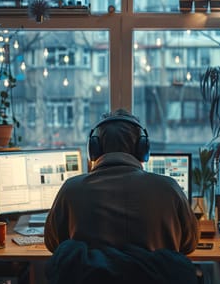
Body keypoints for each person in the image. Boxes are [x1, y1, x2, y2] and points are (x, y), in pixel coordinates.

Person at [44, 108, 200, 253]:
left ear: (94, 149)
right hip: (151, 283)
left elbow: (53, 244)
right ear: (143, 149)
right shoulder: (169, 189)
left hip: (93, 283)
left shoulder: (71, 190)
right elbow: (190, 243)